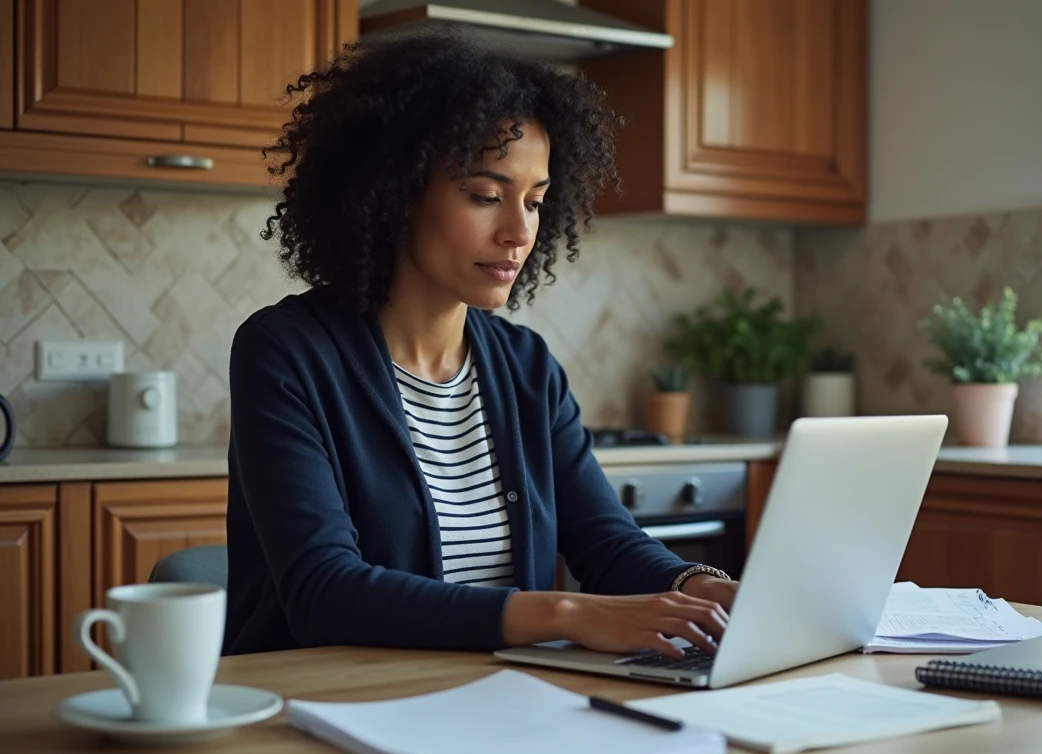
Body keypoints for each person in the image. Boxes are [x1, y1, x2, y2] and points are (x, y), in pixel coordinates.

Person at [223, 29, 738, 659]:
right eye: (485, 196)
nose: (519, 231)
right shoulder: (286, 352)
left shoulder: (526, 366)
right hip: (325, 709)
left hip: (493, 708)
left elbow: (607, 544)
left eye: (536, 201)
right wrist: (566, 612)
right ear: (395, 192)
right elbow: (324, 591)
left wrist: (709, 590)